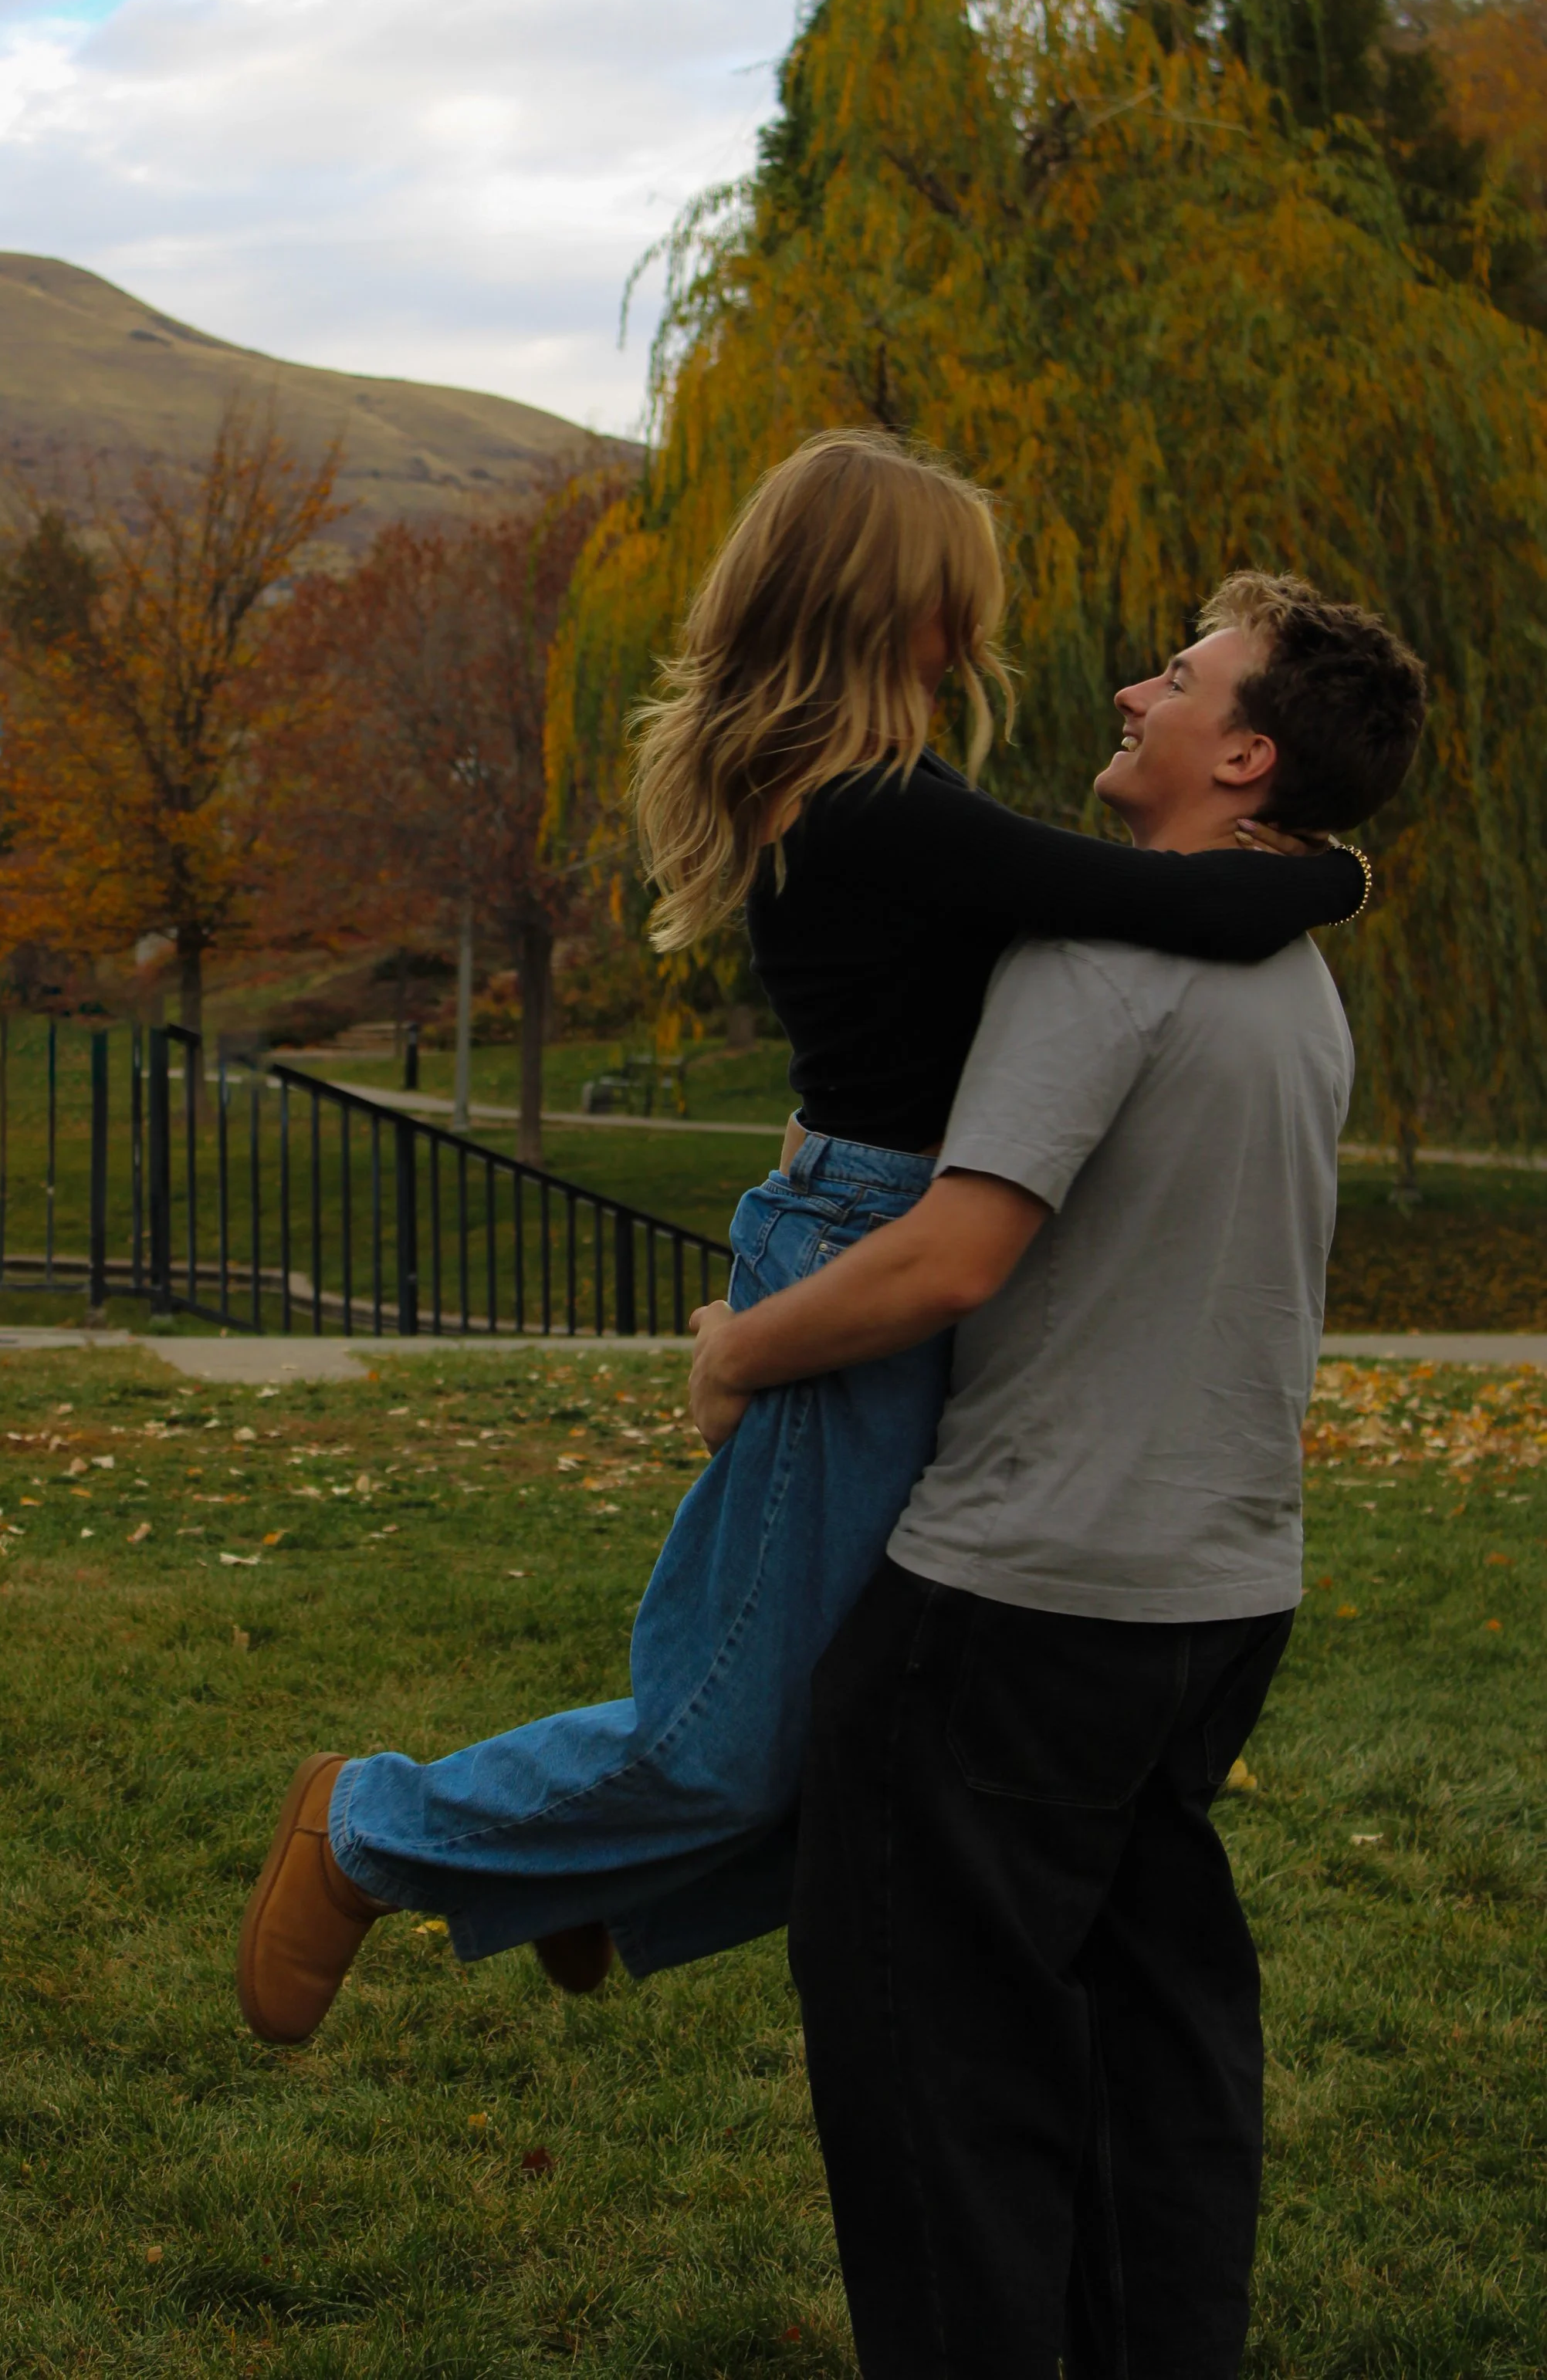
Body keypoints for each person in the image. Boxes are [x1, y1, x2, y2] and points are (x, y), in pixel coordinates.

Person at [234, 435, 1369, 2047]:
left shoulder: (861, 799)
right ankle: (367, 1832)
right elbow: (1171, 904)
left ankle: (583, 1883)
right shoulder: (877, 809)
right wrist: (1331, 868)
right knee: (736, 1736)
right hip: (872, 1237)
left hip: (871, 1216)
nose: (978, 636)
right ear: (886, 604)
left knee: (876, 1725)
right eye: (954, 605)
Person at [686, 570, 1427, 2380]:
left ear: (1241, 755)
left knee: (940, 2091)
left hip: (1013, 1602)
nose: (1127, 691)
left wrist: (735, 1347)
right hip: (1213, 1595)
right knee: (1146, 2061)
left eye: (1175, 680)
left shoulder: (1098, 955)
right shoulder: (1289, 970)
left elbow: (950, 1259)